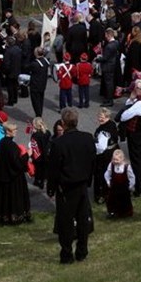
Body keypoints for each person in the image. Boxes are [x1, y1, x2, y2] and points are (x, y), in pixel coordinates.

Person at [47, 108, 96, 264]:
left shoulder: (58, 144)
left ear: (63, 123)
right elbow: (92, 160)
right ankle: (82, 250)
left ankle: (67, 254)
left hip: (67, 187)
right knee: (82, 219)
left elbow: (54, 168)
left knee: (66, 221)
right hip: (82, 184)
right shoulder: (87, 138)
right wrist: (88, 179)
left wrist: (51, 187)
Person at [0, 121, 32, 225]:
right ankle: (15, 216)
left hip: (4, 175)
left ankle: (4, 216)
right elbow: (17, 163)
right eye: (14, 130)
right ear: (8, 132)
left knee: (4, 198)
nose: (16, 132)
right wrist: (27, 154)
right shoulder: (11, 145)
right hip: (13, 177)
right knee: (14, 198)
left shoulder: (3, 142)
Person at [102, 149, 135, 218]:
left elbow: (132, 177)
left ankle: (125, 212)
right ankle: (112, 212)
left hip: (124, 187)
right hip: (114, 187)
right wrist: (108, 182)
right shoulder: (111, 165)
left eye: (117, 160)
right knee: (112, 200)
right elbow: (107, 174)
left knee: (125, 200)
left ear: (122, 159)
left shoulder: (126, 167)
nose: (115, 161)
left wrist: (130, 186)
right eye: (113, 159)